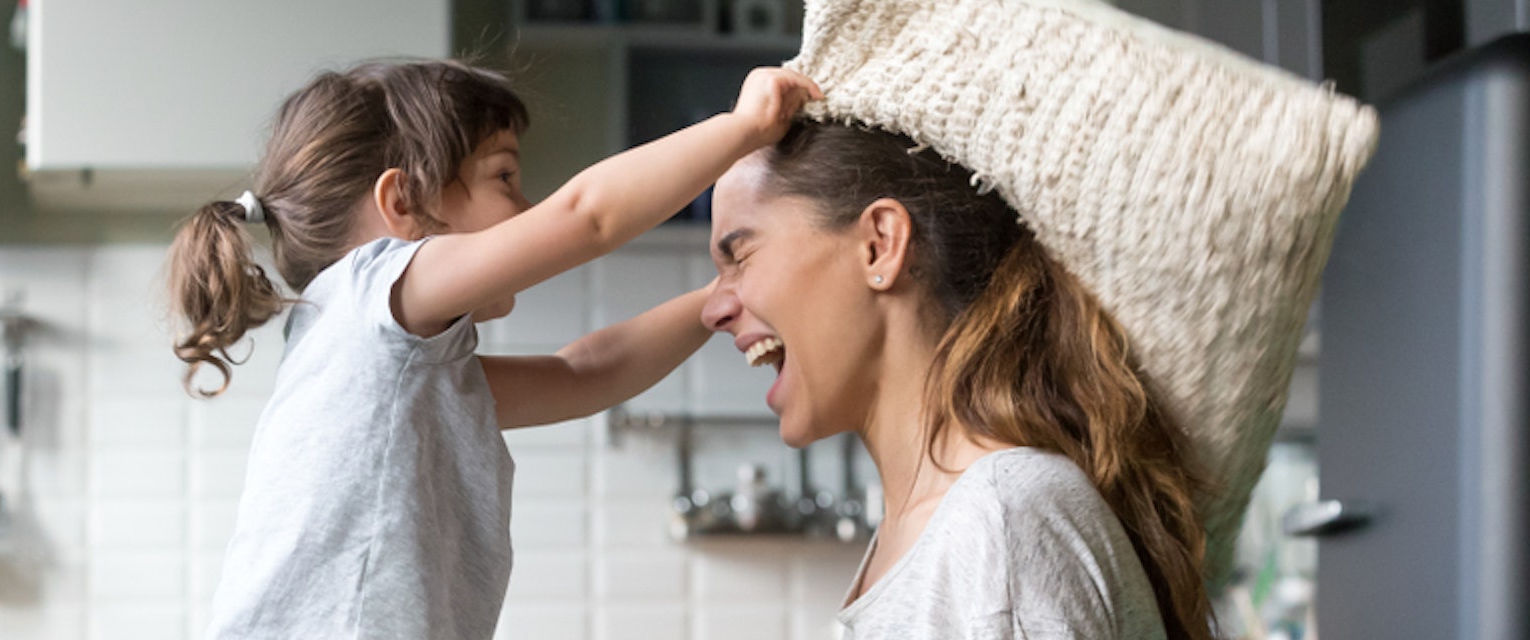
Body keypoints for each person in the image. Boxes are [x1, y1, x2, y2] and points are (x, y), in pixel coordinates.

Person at [164, 59, 820, 639]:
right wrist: (743, 128)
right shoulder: (369, 291)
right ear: (403, 203)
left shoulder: (395, 371)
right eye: (504, 177)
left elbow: (586, 372)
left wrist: (724, 293)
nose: (528, 205)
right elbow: (585, 218)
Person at [704, 122, 1205, 639]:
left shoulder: (1001, 518)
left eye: (739, 256)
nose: (713, 311)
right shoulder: (941, 531)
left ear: (879, 245)